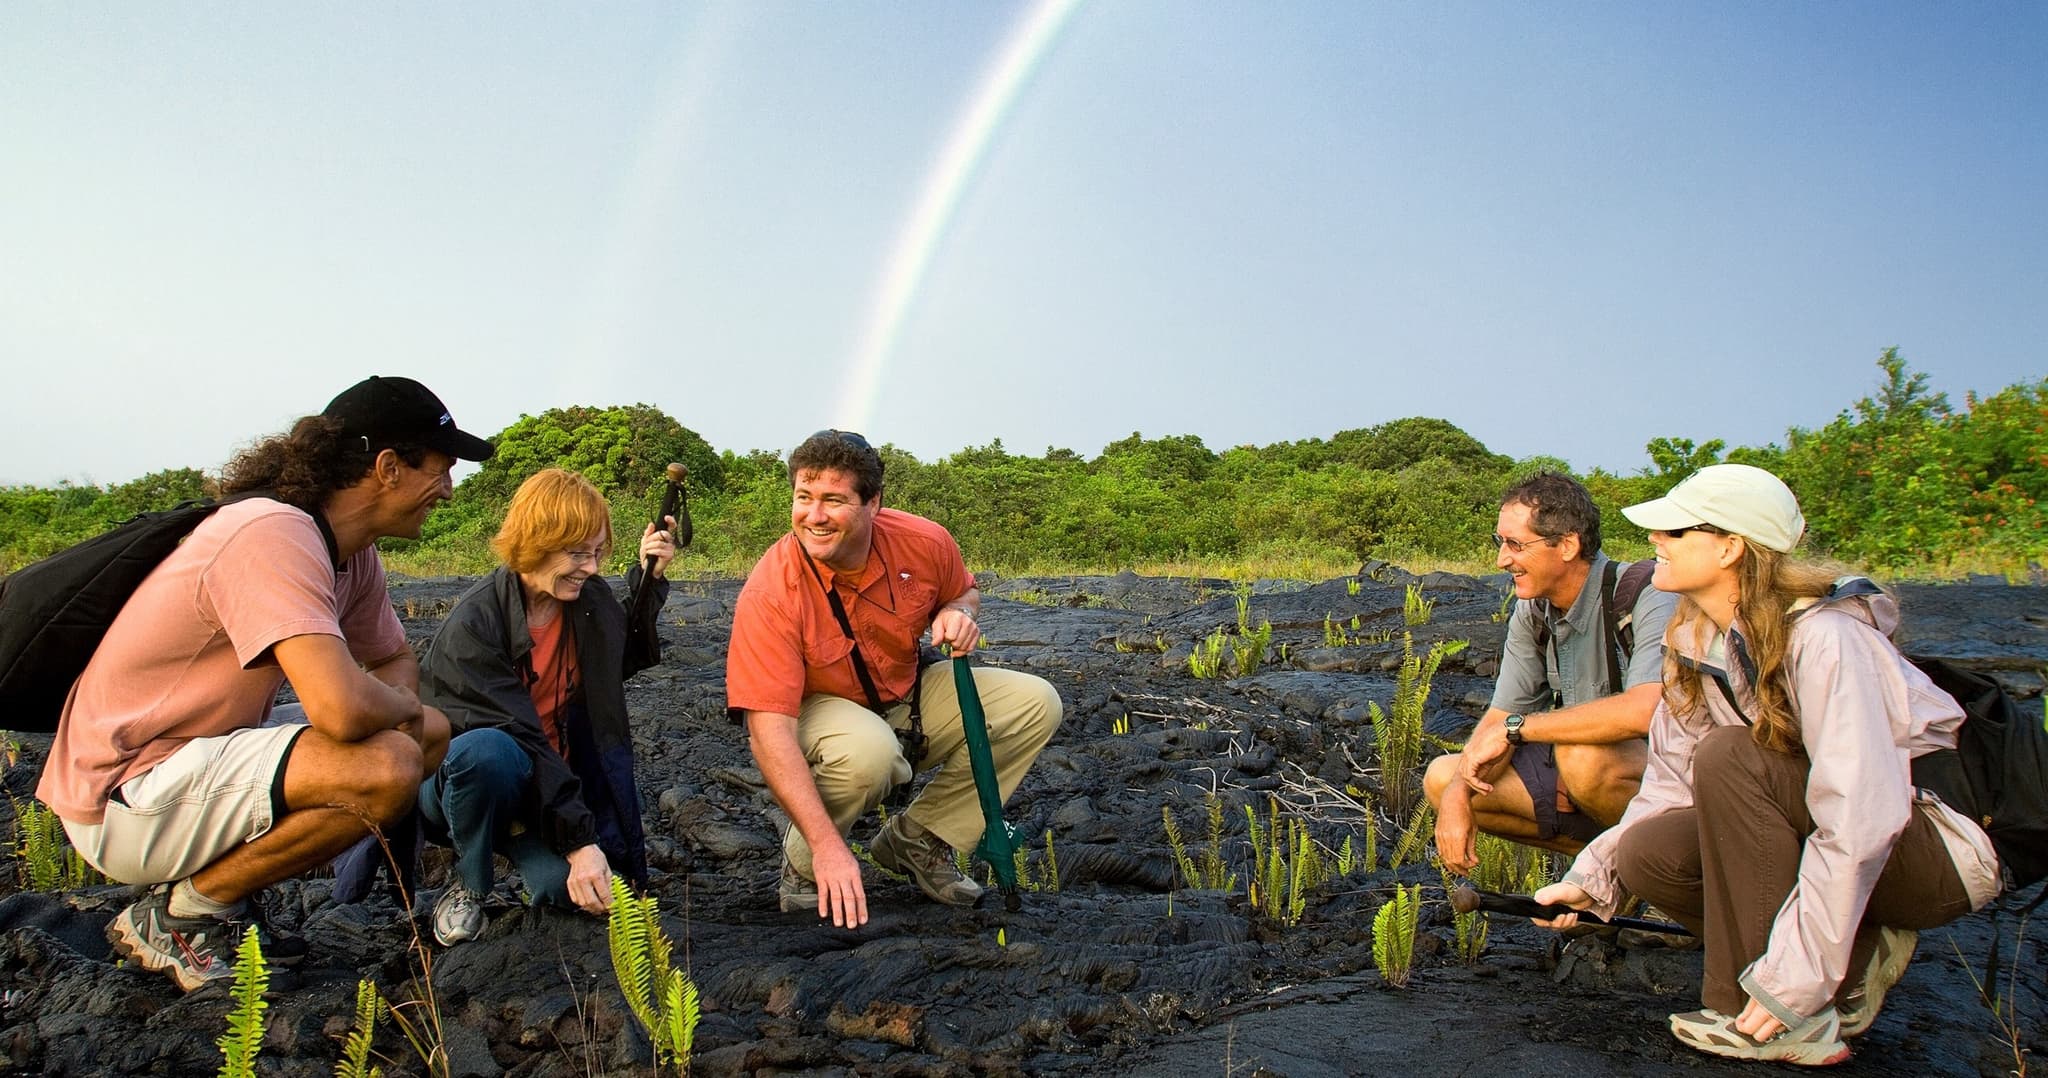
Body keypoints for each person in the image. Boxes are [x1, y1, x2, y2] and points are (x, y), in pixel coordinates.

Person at [1532, 464, 2002, 1065]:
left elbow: (1861, 819)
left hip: (1938, 853)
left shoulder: (1828, 638)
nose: (1655, 540)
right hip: (1851, 841)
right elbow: (1668, 786)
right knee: (1647, 852)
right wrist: (1592, 881)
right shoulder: (1694, 642)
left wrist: (1792, 985)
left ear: (1730, 547)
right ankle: (1848, 957)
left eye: (1674, 531)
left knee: (1733, 757)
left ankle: (1776, 1018)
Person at [37, 375, 490, 991]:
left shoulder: (351, 553)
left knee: (427, 735)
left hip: (189, 766)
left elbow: (392, 664)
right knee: (384, 767)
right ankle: (186, 913)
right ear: (388, 467)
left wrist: (395, 709)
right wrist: (382, 711)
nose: (448, 488)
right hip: (122, 792)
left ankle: (212, 898)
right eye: (440, 468)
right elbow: (339, 709)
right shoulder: (273, 532)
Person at [726, 430, 1063, 926]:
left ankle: (919, 839)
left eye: (833, 500)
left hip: (906, 693)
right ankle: (803, 865)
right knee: (869, 753)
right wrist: (827, 848)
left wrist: (956, 612)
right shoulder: (772, 590)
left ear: (873, 503)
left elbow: (964, 593)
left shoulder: (924, 541)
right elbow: (766, 732)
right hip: (820, 709)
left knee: (1036, 702)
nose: (813, 516)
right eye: (803, 498)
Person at [413, 469, 675, 945]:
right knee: (486, 753)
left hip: (543, 787)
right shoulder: (474, 626)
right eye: (577, 553)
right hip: (460, 786)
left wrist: (648, 579)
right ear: (534, 544)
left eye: (598, 553)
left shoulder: (586, 600)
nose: (592, 567)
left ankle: (525, 846)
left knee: (572, 894)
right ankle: (469, 883)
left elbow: (622, 659)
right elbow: (522, 737)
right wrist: (580, 842)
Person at [1426, 472, 1678, 873]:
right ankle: (1607, 872)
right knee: (1442, 777)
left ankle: (1662, 875)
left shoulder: (1647, 595)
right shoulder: (1534, 611)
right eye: (1500, 542)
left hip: (1680, 786)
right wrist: (1457, 794)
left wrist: (1518, 728)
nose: (1501, 559)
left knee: (1583, 759)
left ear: (1567, 545)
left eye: (1515, 544)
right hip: (1589, 781)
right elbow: (1499, 716)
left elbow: (1644, 710)